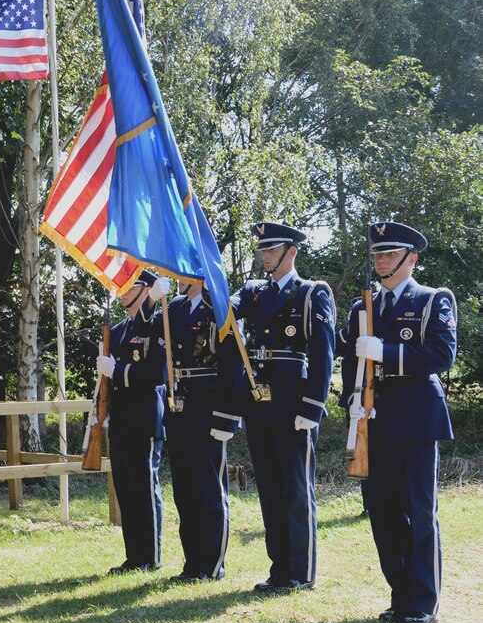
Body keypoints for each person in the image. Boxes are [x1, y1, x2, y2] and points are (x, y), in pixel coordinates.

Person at [340, 221, 456, 623]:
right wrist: (351, 404)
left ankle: (423, 602)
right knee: (383, 513)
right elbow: (352, 362)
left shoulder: (432, 301)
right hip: (375, 418)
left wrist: (386, 352)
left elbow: (441, 355)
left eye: (390, 254)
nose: (382, 261)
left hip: (417, 418)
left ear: (411, 259)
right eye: (378, 254)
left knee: (419, 512)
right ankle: (400, 594)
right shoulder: (362, 308)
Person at [232, 222, 335, 593]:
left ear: (291, 252)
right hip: (260, 402)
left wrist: (313, 405)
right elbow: (225, 311)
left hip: (294, 404)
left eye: (271, 250)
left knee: (295, 487)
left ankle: (301, 571)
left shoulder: (311, 293)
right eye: (262, 250)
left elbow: (324, 356)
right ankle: (280, 569)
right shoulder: (254, 292)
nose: (264, 256)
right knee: (271, 489)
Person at [156, 280, 244, 582]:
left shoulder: (218, 307)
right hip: (179, 407)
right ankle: (192, 562)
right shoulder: (174, 308)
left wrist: (226, 418)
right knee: (185, 490)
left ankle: (212, 564)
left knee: (209, 489)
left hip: (208, 408)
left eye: (184, 271)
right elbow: (147, 332)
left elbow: (234, 365)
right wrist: (154, 301)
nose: (178, 276)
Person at [96, 270, 168, 574]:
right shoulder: (119, 329)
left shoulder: (160, 325)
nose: (121, 289)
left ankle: (150, 556)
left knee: (144, 487)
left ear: (146, 290)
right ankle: (134, 556)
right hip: (122, 418)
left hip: (145, 416)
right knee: (125, 488)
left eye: (129, 285)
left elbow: (157, 374)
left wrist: (119, 371)